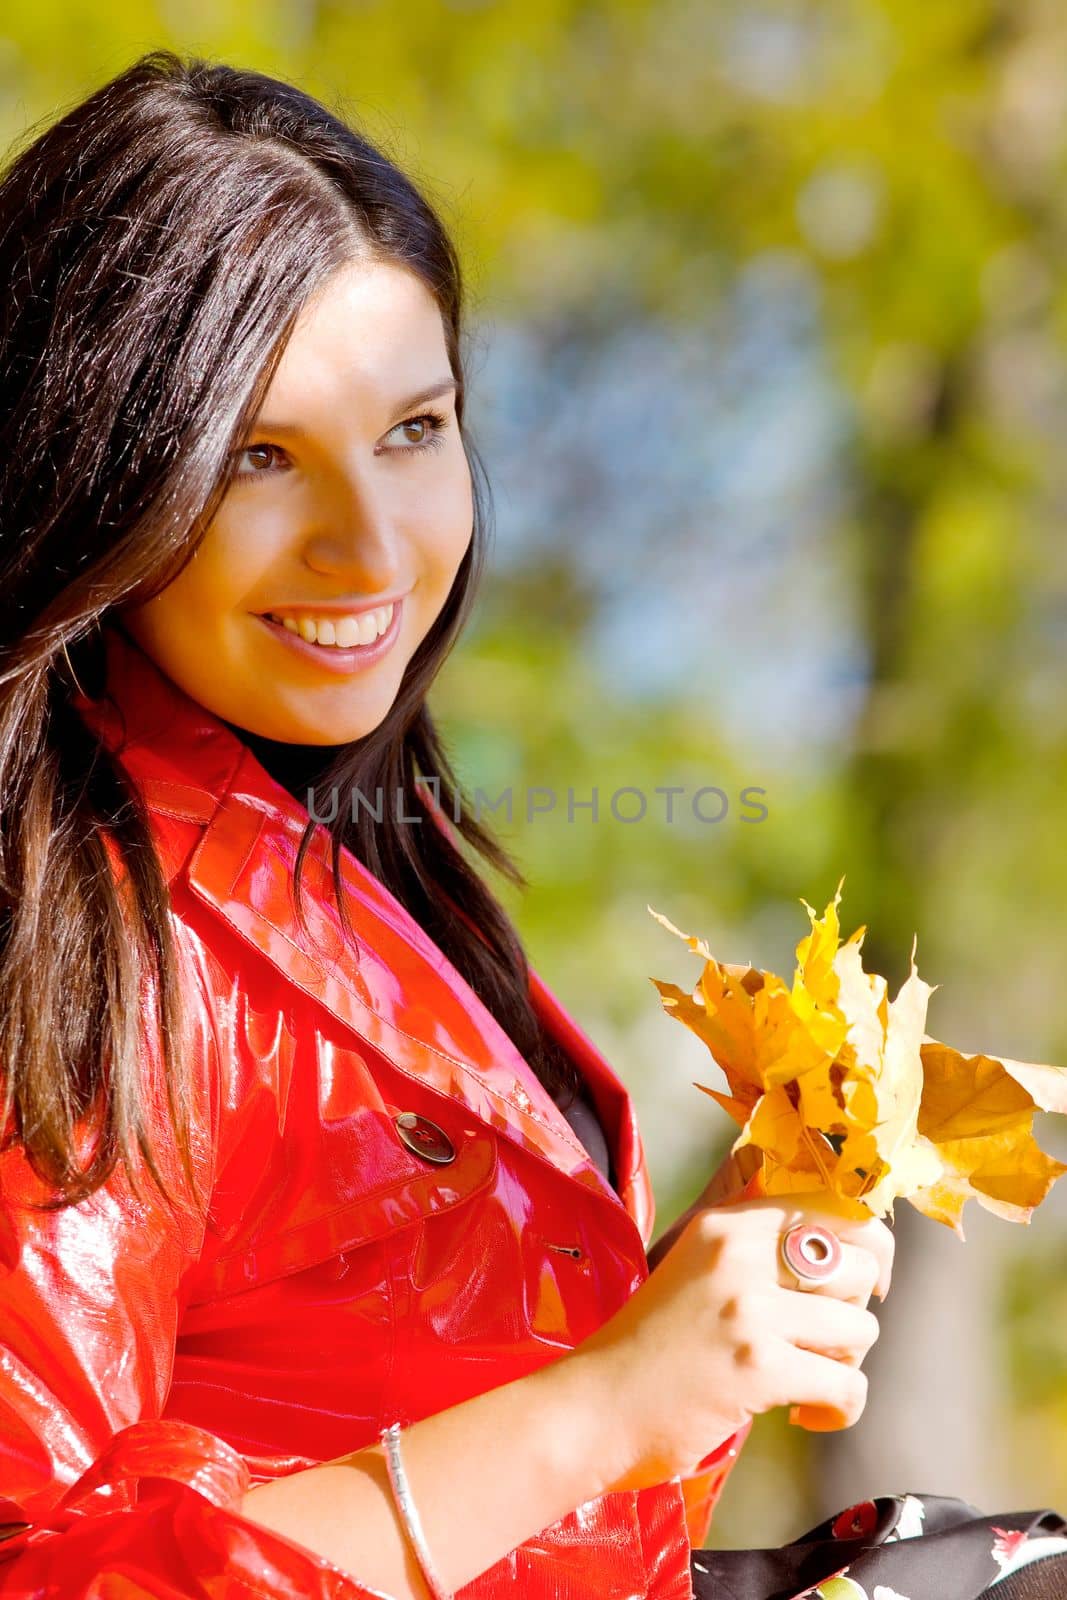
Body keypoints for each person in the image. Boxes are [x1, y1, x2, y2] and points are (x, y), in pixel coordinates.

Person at [0, 50, 1059, 1600]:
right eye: (258, 459)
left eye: (416, 431)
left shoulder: (354, 847)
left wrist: (708, 1303)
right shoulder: (75, 941)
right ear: (103, 474)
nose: (370, 547)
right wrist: (600, 1404)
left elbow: (531, 1478)